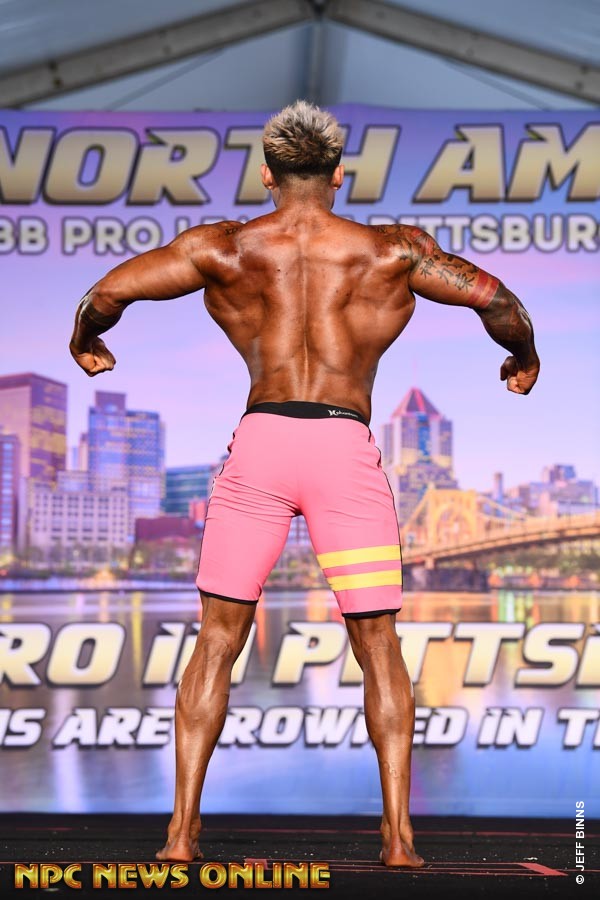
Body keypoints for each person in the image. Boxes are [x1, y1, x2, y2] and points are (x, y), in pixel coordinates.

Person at [69, 100, 539, 868]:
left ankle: (181, 837)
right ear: (339, 174)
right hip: (342, 450)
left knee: (217, 641)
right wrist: (523, 357)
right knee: (378, 644)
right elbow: (500, 303)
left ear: (267, 174)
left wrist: (86, 338)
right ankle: (398, 840)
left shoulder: (224, 247)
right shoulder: (392, 252)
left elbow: (106, 295)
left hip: (260, 447)